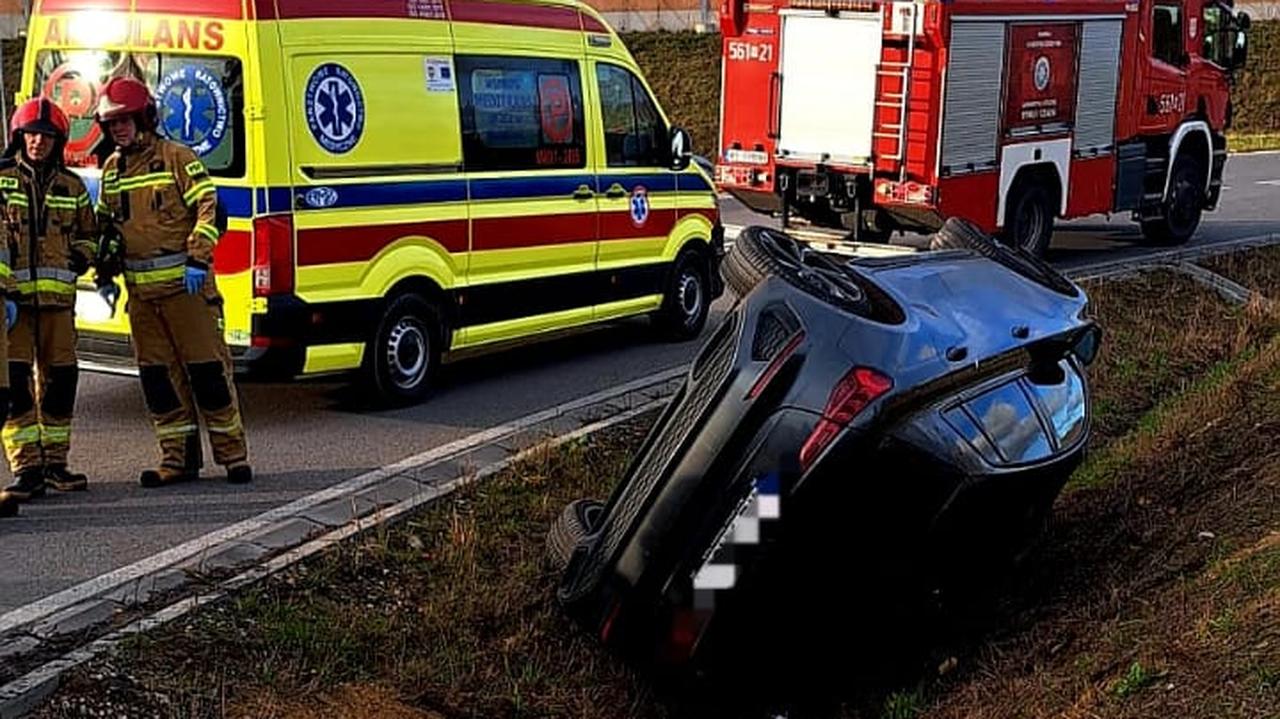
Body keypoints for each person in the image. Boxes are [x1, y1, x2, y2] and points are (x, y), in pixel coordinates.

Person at [93, 76, 252, 487]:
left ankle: (233, 457)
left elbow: (209, 208)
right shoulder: (112, 170)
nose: (120, 130)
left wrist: (199, 258)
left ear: (144, 117)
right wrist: (106, 272)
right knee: (160, 381)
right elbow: (107, 225)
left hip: (188, 291)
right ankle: (177, 461)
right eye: (112, 124)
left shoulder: (176, 156)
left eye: (126, 121)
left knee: (209, 375)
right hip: (143, 299)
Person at [0, 98, 96, 501]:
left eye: (47, 136)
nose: (38, 142)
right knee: (16, 386)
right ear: (19, 136)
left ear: (58, 141)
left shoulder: (72, 187)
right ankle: (26, 469)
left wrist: (81, 257)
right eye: (32, 134)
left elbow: (90, 234)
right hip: (14, 306)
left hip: (58, 305)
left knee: (60, 382)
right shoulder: (1, 179)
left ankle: (56, 463)